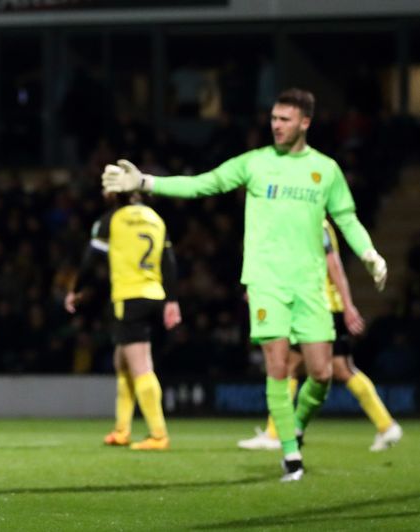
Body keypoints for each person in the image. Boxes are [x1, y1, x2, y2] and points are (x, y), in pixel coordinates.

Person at [102, 88, 388, 481]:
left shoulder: (326, 170)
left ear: (305, 122)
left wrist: (370, 254)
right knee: (277, 368)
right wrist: (147, 182)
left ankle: (297, 427)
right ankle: (291, 457)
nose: (276, 125)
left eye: (285, 119)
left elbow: (347, 218)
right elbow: (203, 183)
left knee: (321, 375)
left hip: (309, 286)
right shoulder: (254, 163)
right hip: (266, 281)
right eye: (273, 118)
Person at [238, 220, 402, 452]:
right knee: (329, 368)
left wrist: (347, 305)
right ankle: (385, 425)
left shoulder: (314, 222)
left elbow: (332, 264)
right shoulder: (312, 221)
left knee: (300, 367)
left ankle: (278, 433)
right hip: (319, 305)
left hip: (319, 307)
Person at [65, 191, 181, 450]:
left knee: (140, 365)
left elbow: (90, 259)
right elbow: (169, 262)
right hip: (154, 294)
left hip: (130, 298)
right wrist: (172, 300)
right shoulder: (155, 218)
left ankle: (158, 434)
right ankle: (121, 429)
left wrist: (75, 289)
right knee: (122, 361)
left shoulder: (111, 220)